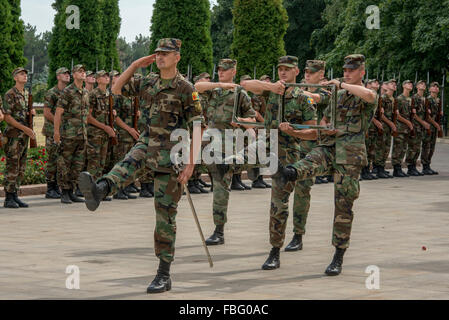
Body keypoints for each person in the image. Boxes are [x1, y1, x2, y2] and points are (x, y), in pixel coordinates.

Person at [78, 38, 206, 294]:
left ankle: (163, 273)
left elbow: (198, 126)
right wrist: (136, 64)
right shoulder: (149, 82)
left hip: (173, 154)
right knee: (125, 164)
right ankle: (99, 190)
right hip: (147, 143)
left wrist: (191, 164)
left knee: (164, 216)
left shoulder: (185, 88)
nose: (160, 57)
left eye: (166, 54)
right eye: (158, 53)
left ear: (177, 57)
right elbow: (116, 88)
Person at [273, 54, 378, 276]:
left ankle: (338, 256)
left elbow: (369, 95)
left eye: (351, 70)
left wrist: (342, 83)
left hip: (349, 156)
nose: (347, 73)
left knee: (343, 206)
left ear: (361, 72)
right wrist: (295, 131)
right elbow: (318, 131)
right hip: (328, 148)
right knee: (308, 161)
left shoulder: (364, 95)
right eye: (345, 70)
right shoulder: (336, 97)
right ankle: (289, 173)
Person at [242, 56, 318, 268]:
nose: (283, 73)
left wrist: (294, 132)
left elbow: (313, 132)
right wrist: (271, 86)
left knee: (278, 203)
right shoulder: (272, 90)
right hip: (265, 147)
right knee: (224, 162)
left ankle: (275, 250)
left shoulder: (303, 98)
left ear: (296, 72)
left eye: (287, 69)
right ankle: (251, 170)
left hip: (288, 154)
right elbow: (245, 84)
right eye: (280, 69)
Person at [195, 59, 258, 246]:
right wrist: (220, 84)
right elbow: (197, 86)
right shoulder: (215, 90)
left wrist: (239, 120)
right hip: (209, 137)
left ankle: (219, 230)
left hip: (228, 142)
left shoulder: (240, 94)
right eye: (219, 70)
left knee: (221, 185)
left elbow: (252, 120)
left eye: (225, 70)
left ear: (234, 71)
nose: (221, 72)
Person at [54, 64, 89, 204]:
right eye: (79, 71)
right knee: (65, 164)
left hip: (82, 135)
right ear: (74, 75)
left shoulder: (85, 92)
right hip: (69, 134)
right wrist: (56, 132)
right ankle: (65, 192)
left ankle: (72, 190)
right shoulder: (68, 91)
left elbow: (86, 114)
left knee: (78, 165)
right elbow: (58, 113)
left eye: (84, 71)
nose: (83, 73)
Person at [2, 67, 35, 208]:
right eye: (21, 74)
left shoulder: (26, 94)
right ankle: (8, 197)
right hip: (13, 136)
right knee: (12, 166)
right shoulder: (10, 94)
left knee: (21, 166)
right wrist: (25, 129)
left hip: (23, 137)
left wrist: (31, 113)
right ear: (15, 77)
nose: (25, 76)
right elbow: (7, 118)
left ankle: (15, 195)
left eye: (26, 74)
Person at [85, 70, 117, 202]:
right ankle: (89, 191)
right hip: (95, 133)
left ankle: (98, 190)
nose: (106, 78)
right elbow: (88, 117)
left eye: (106, 76)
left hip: (105, 134)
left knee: (102, 163)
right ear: (98, 80)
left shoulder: (109, 94)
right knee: (94, 162)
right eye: (103, 76)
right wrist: (105, 128)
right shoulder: (93, 95)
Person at [43, 67, 71, 199]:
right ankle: (50, 188)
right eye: (64, 74)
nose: (67, 75)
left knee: (62, 160)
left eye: (68, 74)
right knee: (52, 159)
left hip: (65, 132)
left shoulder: (68, 93)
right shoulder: (52, 93)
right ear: (58, 76)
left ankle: (58, 186)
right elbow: (47, 112)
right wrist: (57, 123)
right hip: (52, 131)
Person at [406, 80, 431, 176]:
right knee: (413, 146)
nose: (423, 85)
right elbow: (414, 114)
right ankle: (410, 167)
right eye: (421, 84)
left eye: (424, 84)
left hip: (422, 127)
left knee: (418, 148)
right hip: (416, 126)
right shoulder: (415, 98)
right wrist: (423, 123)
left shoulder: (424, 99)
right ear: (417, 86)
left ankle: (414, 167)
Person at [374, 80, 397, 178]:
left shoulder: (393, 99)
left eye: (395, 84)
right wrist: (390, 123)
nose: (394, 86)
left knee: (387, 148)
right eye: (392, 84)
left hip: (389, 127)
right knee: (381, 148)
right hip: (383, 126)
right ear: (386, 86)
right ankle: (379, 169)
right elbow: (381, 114)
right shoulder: (383, 98)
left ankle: (382, 168)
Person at [391, 80, 414, 177]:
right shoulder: (399, 99)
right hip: (400, 127)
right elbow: (397, 115)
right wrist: (408, 122)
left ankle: (399, 167)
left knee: (404, 148)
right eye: (408, 83)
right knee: (398, 148)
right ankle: (396, 169)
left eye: (411, 84)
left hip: (407, 128)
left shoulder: (410, 99)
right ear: (403, 86)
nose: (410, 85)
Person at [421, 82, 442, 175]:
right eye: (433, 86)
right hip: (428, 126)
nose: (436, 88)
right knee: (426, 146)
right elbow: (427, 116)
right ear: (429, 89)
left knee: (432, 147)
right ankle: (425, 166)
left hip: (434, 127)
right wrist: (436, 124)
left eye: (437, 86)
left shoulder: (438, 100)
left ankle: (428, 165)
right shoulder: (427, 100)